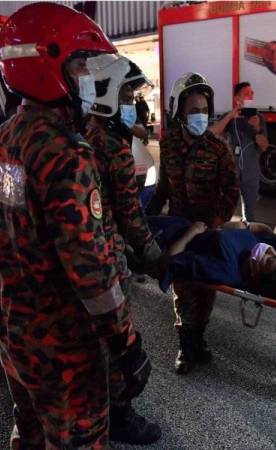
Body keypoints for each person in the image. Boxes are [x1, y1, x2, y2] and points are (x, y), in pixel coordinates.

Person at [0, 4, 133, 447]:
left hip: (14, 333)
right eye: (83, 63)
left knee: (29, 433)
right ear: (47, 64)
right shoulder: (66, 153)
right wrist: (126, 342)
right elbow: (93, 272)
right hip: (65, 349)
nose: (92, 76)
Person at [84, 53, 163, 444]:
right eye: (128, 96)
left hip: (83, 256)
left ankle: (96, 403)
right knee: (118, 337)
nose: (134, 104)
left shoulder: (82, 134)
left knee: (91, 338)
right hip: (107, 258)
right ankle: (120, 412)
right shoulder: (113, 146)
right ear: (108, 95)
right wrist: (153, 254)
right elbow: (131, 216)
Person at [146, 72, 240, 374]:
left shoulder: (218, 147)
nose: (200, 116)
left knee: (206, 288)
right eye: (193, 110)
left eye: (204, 110)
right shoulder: (170, 144)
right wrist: (148, 220)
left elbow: (232, 190)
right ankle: (187, 347)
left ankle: (198, 337)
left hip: (208, 230)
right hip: (179, 230)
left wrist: (215, 221)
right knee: (183, 287)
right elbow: (163, 187)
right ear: (180, 113)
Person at [145, 216, 276, 302]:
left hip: (158, 236)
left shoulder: (224, 269)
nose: (270, 251)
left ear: (258, 276)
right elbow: (263, 231)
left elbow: (169, 260)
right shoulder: (255, 255)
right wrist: (246, 226)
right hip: (174, 223)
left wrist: (192, 232)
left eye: (270, 260)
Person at [210, 81, 269, 222]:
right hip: (231, 171)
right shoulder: (229, 117)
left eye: (252, 93)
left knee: (250, 213)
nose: (250, 96)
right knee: (225, 209)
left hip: (251, 172)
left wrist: (257, 128)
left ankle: (247, 235)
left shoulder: (258, 118)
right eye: (246, 94)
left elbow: (264, 146)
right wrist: (231, 116)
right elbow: (212, 133)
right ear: (237, 98)